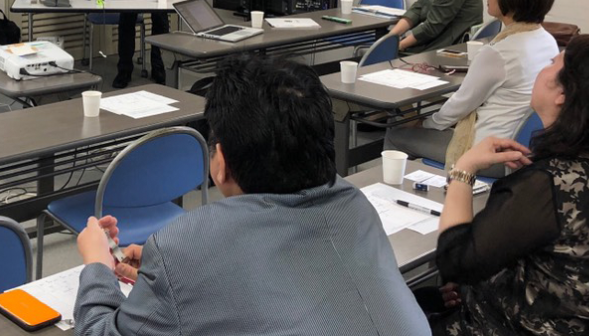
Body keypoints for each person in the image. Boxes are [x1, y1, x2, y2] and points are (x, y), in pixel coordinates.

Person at [72, 55, 429, 336]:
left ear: (221, 164)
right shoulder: (355, 204)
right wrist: (167, 279)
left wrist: (98, 266)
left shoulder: (186, 246)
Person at [425, 35, 589, 335]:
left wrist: (464, 169)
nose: (543, 68)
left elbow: (454, 261)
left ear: (563, 93)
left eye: (552, 63)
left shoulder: (547, 185)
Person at [385, 0, 559, 174]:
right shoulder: (547, 40)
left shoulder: (499, 52)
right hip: (525, 150)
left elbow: (462, 103)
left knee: (397, 134)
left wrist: (424, 123)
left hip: (490, 155)